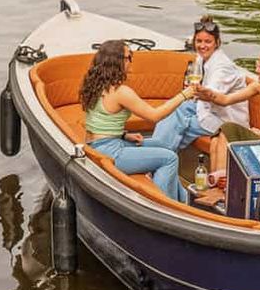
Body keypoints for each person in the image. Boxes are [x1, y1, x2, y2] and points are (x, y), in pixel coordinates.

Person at [80, 40, 196, 202]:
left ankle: (185, 201)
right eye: (129, 57)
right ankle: (164, 205)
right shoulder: (121, 92)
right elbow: (154, 116)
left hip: (97, 145)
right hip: (111, 152)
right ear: (117, 61)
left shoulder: (94, 84)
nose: (131, 62)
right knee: (169, 158)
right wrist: (184, 95)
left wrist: (124, 135)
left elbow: (100, 121)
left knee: (164, 146)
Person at [142, 16, 248, 170]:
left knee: (179, 124)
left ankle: (153, 163)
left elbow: (213, 95)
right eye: (199, 41)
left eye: (208, 42)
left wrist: (192, 91)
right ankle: (157, 160)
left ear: (217, 43)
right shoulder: (201, 58)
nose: (202, 46)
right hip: (207, 109)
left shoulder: (222, 67)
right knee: (172, 112)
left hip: (226, 121)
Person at [196, 47, 260, 172]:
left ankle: (220, 182)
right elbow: (225, 100)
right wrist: (206, 93)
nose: (257, 70)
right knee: (216, 139)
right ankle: (215, 184)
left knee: (227, 129)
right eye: (257, 65)